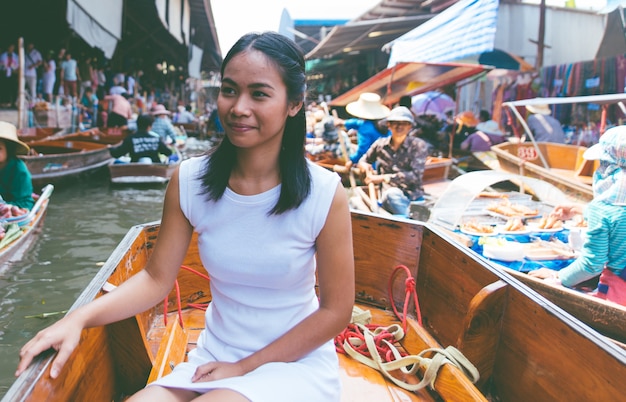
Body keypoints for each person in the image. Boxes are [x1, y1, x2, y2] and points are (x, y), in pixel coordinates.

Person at [15, 31, 354, 402]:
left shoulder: (323, 193)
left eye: (259, 93)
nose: (239, 107)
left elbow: (335, 312)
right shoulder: (190, 180)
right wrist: (77, 319)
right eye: (229, 90)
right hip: (215, 356)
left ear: (294, 103)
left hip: (294, 364)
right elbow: (155, 278)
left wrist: (245, 368)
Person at [529, 126, 626, 305]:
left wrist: (556, 276)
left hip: (618, 298)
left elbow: (592, 265)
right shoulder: (602, 210)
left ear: (609, 167)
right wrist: (578, 209)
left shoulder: (602, 210)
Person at [357, 106, 430, 216]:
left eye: (404, 123)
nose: (399, 126)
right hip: (389, 196)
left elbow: (415, 176)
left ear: (409, 126)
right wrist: (363, 165)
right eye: (395, 122)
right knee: (392, 194)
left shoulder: (419, 146)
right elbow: (364, 160)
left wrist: (383, 178)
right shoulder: (380, 144)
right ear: (389, 125)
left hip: (413, 196)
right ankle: (409, 218)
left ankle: (409, 218)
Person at [341, 92, 390, 164]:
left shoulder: (364, 128)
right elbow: (357, 123)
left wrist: (351, 160)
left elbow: (362, 150)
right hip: (386, 161)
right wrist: (344, 123)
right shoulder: (384, 124)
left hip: (372, 164)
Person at [0, 122, 34, 210]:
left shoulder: (19, 170)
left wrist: (4, 207)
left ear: (9, 149)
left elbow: (26, 204)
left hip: (12, 210)